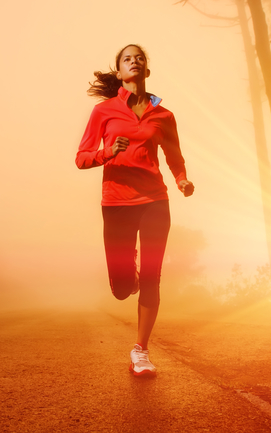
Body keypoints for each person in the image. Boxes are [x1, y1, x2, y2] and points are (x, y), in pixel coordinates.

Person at [75, 44, 194, 377]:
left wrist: (182, 180)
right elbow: (81, 158)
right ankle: (130, 275)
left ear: (147, 71)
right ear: (120, 71)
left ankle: (140, 351)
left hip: (155, 201)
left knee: (153, 278)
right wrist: (107, 152)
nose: (135, 61)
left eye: (140, 58)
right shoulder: (104, 112)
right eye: (128, 58)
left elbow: (174, 157)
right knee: (122, 288)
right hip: (116, 203)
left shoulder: (163, 115)